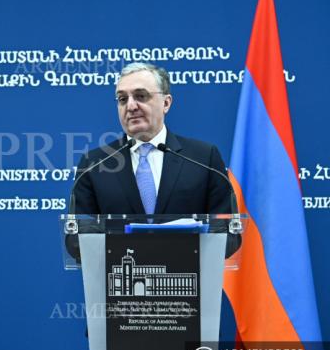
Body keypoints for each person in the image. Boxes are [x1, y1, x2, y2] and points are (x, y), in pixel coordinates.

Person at [70, 62, 238, 256]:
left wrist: (180, 252)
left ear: (166, 103)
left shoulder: (203, 157)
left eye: (141, 96)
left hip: (187, 279)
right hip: (120, 279)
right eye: (122, 99)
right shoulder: (95, 163)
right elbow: (76, 236)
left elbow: (227, 231)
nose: (131, 106)